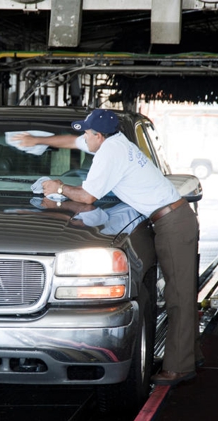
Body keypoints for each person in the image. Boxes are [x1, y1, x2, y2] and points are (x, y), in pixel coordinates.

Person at [13, 109, 202, 386]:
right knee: (180, 291)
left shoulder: (109, 154)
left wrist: (59, 187)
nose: (83, 137)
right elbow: (72, 141)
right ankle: (189, 355)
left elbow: (88, 196)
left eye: (87, 133)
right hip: (171, 218)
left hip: (172, 222)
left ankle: (179, 368)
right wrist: (37, 140)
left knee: (178, 296)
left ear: (98, 136)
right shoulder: (114, 142)